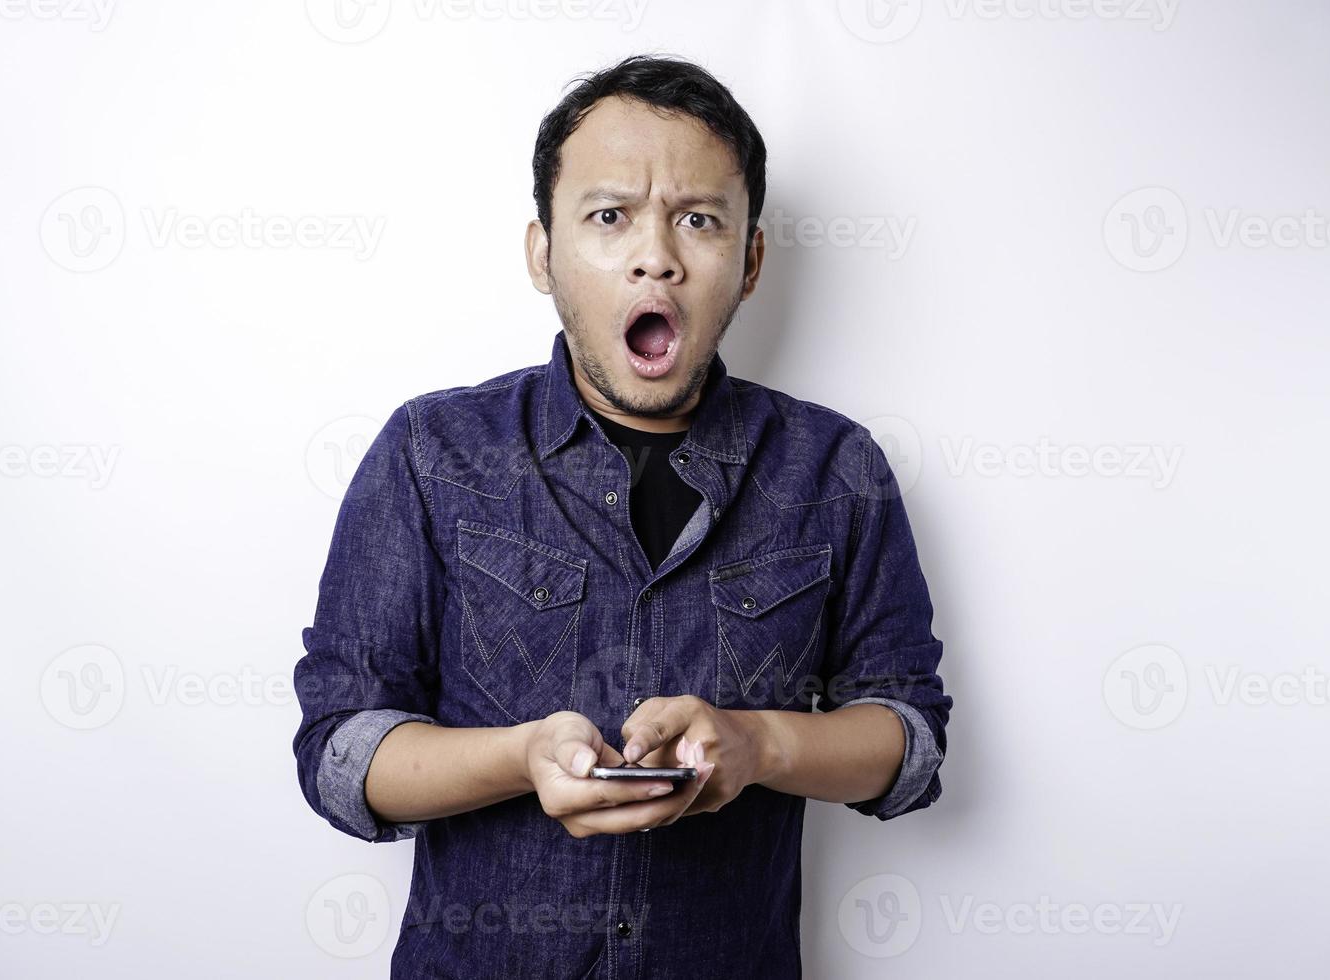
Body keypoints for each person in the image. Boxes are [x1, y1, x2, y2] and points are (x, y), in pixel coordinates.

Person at [292, 53, 952, 980]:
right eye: (609, 216)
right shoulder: (430, 452)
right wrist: (525, 757)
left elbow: (910, 743)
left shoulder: (837, 469)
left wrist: (761, 743)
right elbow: (338, 752)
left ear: (751, 258)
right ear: (542, 252)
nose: (657, 255)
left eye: (699, 219)